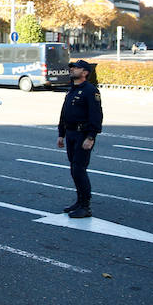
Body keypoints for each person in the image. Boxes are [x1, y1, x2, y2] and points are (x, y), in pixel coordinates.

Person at [57, 59, 103, 218]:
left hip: (83, 134)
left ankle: (85, 206)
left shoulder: (91, 90)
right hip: (70, 134)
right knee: (74, 170)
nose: (72, 69)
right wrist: (61, 133)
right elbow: (64, 113)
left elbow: (96, 115)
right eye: (72, 67)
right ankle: (79, 201)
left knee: (79, 170)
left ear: (85, 73)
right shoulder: (71, 90)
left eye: (76, 68)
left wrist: (91, 136)